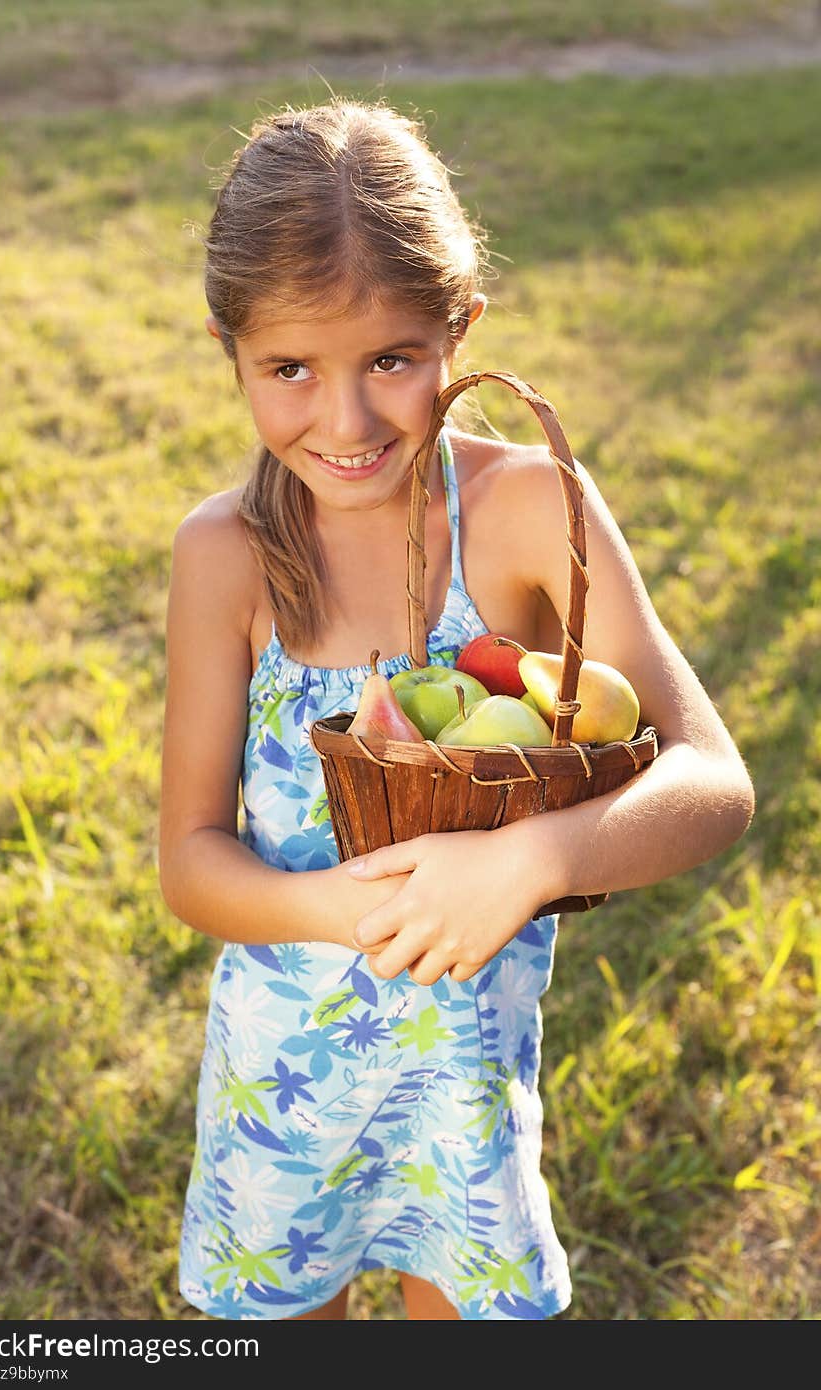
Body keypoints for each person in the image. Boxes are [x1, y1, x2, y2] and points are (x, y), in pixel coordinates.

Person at [158, 97, 754, 1322]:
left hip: (463, 1084)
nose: (346, 421)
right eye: (288, 370)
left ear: (458, 329)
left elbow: (711, 781)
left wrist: (528, 862)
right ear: (229, 347)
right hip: (283, 1083)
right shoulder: (224, 557)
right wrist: (335, 906)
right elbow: (189, 862)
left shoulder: (530, 512)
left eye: (389, 359)